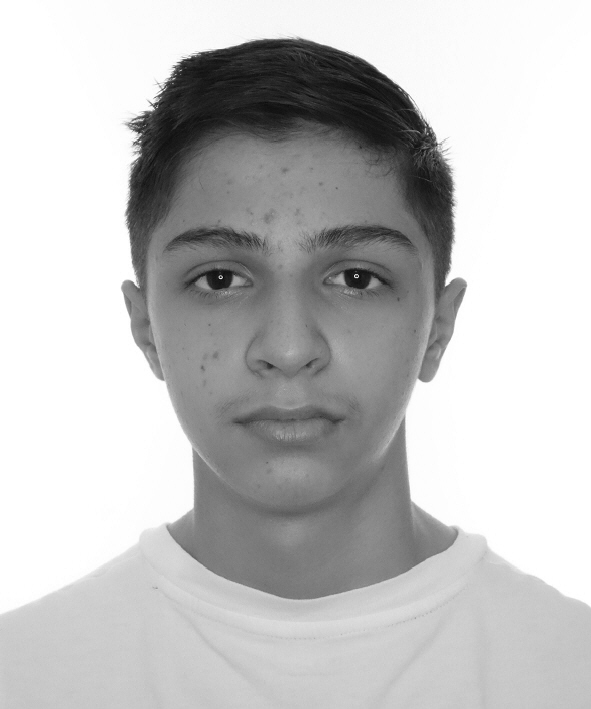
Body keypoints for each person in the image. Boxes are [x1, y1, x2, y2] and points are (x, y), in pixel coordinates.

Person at [1, 37, 590, 708]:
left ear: (438, 326)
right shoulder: (21, 675)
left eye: (356, 278)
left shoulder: (571, 671)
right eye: (220, 279)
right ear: (145, 326)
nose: (287, 348)